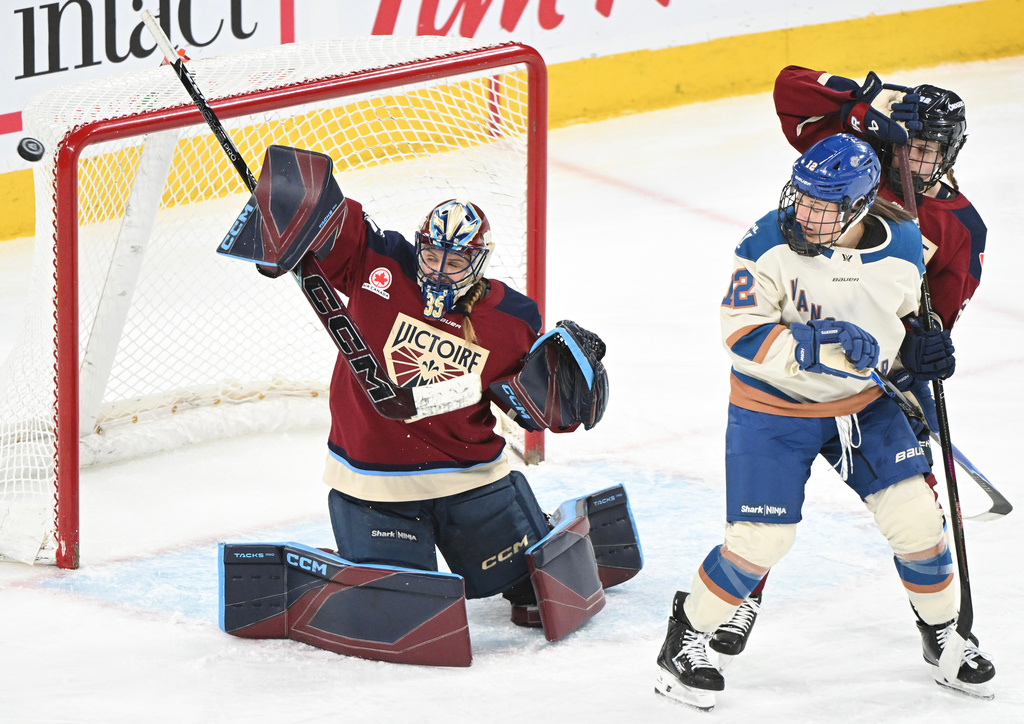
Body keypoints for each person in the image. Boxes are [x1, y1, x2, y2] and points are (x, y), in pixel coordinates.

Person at [654, 134, 994, 711]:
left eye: (822, 206)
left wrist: (920, 353)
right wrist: (809, 344)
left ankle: (943, 633)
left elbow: (908, 318)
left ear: (859, 207)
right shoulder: (766, 242)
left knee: (918, 523)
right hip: (773, 409)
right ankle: (684, 641)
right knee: (761, 541)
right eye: (802, 198)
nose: (804, 213)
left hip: (867, 404)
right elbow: (740, 334)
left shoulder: (905, 244)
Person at [710, 66, 987, 663]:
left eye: (928, 150)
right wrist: (857, 99)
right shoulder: (848, 156)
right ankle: (742, 595)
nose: (913, 159)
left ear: (950, 153)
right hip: (794, 348)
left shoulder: (957, 227)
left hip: (868, 372)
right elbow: (788, 87)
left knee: (913, 506)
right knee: (763, 513)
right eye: (907, 144)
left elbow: (927, 319)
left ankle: (935, 623)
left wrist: (921, 349)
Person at [309, 196, 609, 625]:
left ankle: (536, 529)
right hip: (373, 479)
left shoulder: (515, 317)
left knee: (530, 590)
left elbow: (505, 394)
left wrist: (554, 401)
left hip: (467, 475)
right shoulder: (380, 261)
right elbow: (328, 218)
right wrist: (291, 221)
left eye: (454, 261)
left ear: (478, 260)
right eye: (430, 255)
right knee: (404, 610)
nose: (437, 269)